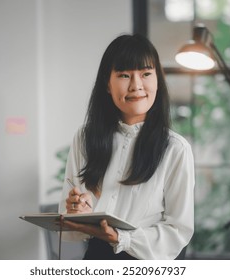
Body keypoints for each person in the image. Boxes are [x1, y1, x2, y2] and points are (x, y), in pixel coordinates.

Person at [58, 34, 195, 260]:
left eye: (146, 74)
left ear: (158, 81)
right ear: (107, 84)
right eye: (124, 75)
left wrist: (121, 238)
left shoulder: (175, 148)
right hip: (98, 258)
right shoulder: (84, 138)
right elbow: (69, 220)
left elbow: (178, 230)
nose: (136, 85)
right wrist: (77, 213)